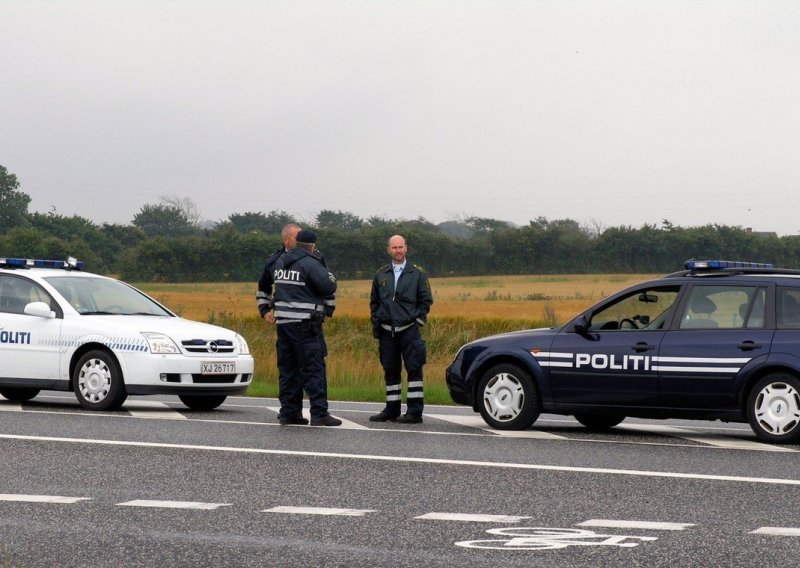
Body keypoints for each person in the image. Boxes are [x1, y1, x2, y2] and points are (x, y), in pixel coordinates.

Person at [272, 229, 341, 426]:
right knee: (313, 368)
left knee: (289, 370)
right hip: (305, 324)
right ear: (312, 246)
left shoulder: (280, 261)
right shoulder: (310, 262)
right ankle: (319, 413)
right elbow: (328, 286)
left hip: (283, 325)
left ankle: (289, 412)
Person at [369, 235, 433, 424]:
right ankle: (391, 410)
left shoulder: (418, 273)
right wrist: (377, 324)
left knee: (414, 370)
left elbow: (426, 301)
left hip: (409, 330)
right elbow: (374, 302)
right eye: (394, 247)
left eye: (401, 247)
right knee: (390, 370)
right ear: (388, 250)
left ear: (406, 249)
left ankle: (414, 412)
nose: (398, 250)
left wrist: (418, 323)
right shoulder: (380, 274)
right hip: (387, 330)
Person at [257, 223, 307, 424]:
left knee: (307, 369)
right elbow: (263, 287)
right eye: (297, 237)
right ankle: (288, 411)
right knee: (287, 369)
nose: (302, 241)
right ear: (287, 240)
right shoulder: (274, 261)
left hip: (306, 323)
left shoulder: (312, 258)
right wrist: (265, 310)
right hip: (284, 324)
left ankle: (300, 411)